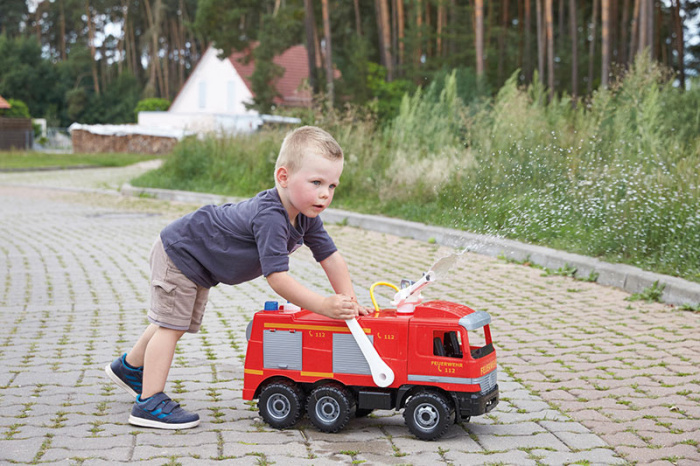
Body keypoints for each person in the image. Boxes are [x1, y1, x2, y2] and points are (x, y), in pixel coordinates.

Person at [105, 126, 368, 429]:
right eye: (316, 182)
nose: (325, 193)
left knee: (172, 321)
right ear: (283, 177)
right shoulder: (272, 216)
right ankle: (148, 403)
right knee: (171, 327)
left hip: (199, 263)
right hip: (181, 252)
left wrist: (349, 301)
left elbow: (330, 257)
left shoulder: (307, 217)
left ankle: (130, 368)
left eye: (332, 185)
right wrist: (324, 305)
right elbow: (278, 279)